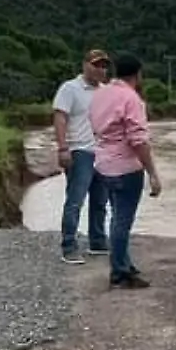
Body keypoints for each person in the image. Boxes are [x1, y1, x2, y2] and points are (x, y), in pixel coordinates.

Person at [88, 52, 162, 288]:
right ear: (138, 75)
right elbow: (138, 140)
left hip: (103, 164)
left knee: (115, 216)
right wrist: (152, 172)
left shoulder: (100, 94)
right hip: (125, 167)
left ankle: (124, 263)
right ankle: (120, 272)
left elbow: (95, 126)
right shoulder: (131, 99)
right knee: (122, 220)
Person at [51, 49, 113, 264]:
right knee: (75, 200)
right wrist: (62, 148)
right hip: (79, 151)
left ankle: (97, 241)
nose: (100, 69)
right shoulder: (70, 88)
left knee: (100, 200)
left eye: (104, 66)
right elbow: (60, 117)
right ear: (85, 64)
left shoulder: (105, 91)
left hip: (102, 152)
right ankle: (69, 246)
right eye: (96, 65)